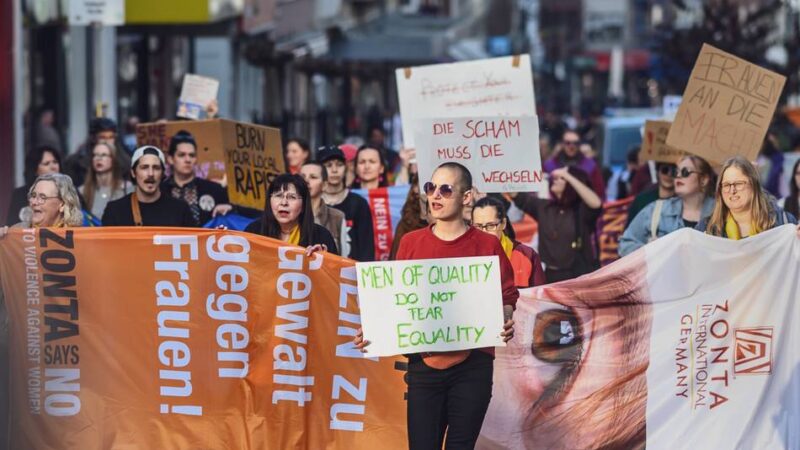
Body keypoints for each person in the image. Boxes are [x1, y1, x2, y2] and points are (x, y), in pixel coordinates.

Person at [354, 162, 517, 450]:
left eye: (446, 189)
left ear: (466, 197)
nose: (435, 196)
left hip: (473, 366)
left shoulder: (487, 245)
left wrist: (504, 317)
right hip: (423, 365)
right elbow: (395, 298)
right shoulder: (410, 243)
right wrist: (373, 329)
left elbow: (507, 294)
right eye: (431, 188)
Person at [0, 173, 84, 446]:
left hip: (64, 349)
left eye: (43, 197)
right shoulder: (16, 235)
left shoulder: (81, 241)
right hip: (21, 347)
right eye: (33, 196)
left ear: (61, 204)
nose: (35, 203)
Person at [511, 167, 602, 283]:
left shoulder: (581, 211)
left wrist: (568, 175)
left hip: (577, 277)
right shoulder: (544, 207)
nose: (555, 179)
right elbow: (517, 196)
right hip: (548, 276)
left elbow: (596, 204)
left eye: (562, 178)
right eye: (557, 177)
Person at [619, 155, 715, 256]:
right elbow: (625, 245)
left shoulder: (720, 213)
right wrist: (649, 250)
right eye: (676, 172)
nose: (678, 176)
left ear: (704, 179)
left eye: (685, 172)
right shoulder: (656, 210)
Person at [700, 156, 796, 238]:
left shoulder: (783, 222)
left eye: (738, 184)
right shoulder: (706, 228)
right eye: (726, 185)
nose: (732, 190)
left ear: (753, 185)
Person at [244, 173, 338, 255]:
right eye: (278, 196)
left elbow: (334, 273)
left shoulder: (321, 236)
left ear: (304, 205)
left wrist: (324, 261)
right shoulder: (253, 232)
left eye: (292, 197)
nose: (284, 202)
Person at [102, 146, 196, 227]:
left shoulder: (180, 210)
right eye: (144, 167)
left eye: (156, 168)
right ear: (133, 172)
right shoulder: (115, 210)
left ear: (163, 173)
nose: (150, 174)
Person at [472, 196, 546, 288]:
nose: (483, 232)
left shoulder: (527, 255)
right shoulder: (463, 256)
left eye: (490, 225)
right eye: (477, 226)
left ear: (503, 223)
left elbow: (539, 297)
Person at [162, 130, 232, 226]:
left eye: (192, 155)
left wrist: (230, 208)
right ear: (170, 159)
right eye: (181, 155)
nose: (188, 160)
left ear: (196, 159)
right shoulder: (160, 190)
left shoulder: (214, 189)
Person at [318, 145, 375, 261]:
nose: (334, 170)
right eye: (328, 165)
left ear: (346, 168)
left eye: (339, 165)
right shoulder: (313, 202)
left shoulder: (359, 203)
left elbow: (366, 247)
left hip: (352, 273)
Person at [64, 117, 130, 188]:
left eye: (111, 137)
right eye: (102, 137)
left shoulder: (125, 161)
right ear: (93, 138)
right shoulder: (74, 162)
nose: (107, 141)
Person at [5, 146, 62, 226]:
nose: (53, 167)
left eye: (55, 162)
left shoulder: (70, 191)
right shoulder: (20, 194)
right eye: (46, 163)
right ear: (35, 169)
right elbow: (11, 228)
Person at [300, 161, 346, 255]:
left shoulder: (337, 217)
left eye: (313, 177)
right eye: (302, 177)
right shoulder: (291, 215)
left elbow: (343, 256)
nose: (306, 181)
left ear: (324, 185)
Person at [543, 129, 605, 199]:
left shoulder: (590, 166)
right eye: (567, 143)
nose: (571, 146)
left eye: (575, 143)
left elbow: (600, 194)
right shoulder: (549, 165)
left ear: (579, 144)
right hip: (554, 206)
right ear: (562, 144)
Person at [79, 142, 133, 219]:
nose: (98, 158)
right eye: (95, 155)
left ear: (113, 159)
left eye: (104, 155)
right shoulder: (82, 191)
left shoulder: (127, 188)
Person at [625, 162, 676, 228]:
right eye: (665, 170)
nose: (669, 174)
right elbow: (629, 231)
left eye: (674, 171)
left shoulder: (683, 202)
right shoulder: (642, 200)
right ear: (657, 172)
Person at [389, 173, 427, 260]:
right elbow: (395, 262)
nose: (433, 189)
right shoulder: (405, 225)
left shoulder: (452, 225)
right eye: (426, 183)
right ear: (415, 188)